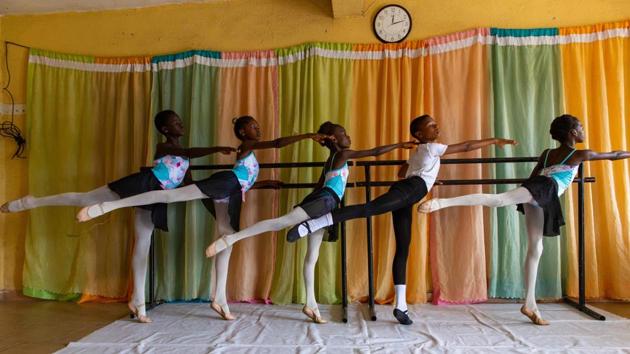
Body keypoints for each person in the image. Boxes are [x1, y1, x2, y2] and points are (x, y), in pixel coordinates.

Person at [77, 115, 329, 320]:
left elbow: (243, 181)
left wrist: (264, 184)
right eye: (252, 126)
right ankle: (108, 206)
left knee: (227, 238)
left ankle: (219, 298)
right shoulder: (247, 147)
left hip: (230, 191)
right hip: (224, 184)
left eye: (257, 125)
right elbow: (276, 144)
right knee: (169, 197)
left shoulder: (249, 154)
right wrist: (308, 135)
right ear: (242, 134)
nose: (258, 128)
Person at [1, 110, 235, 323]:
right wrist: (216, 149)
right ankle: (31, 201)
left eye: (180, 121)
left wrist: (213, 209)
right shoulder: (164, 147)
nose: (180, 124)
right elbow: (185, 151)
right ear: (165, 129)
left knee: (143, 244)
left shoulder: (186, 161)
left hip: (155, 198)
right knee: (85, 199)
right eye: (175, 122)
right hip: (142, 184)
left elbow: (191, 187)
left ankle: (138, 302)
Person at [286, 114, 516, 325]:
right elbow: (466, 146)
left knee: (403, 246)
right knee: (369, 209)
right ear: (419, 134)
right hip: (410, 189)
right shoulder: (433, 148)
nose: (438, 128)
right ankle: (314, 223)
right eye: (432, 126)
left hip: (409, 190)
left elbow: (401, 173)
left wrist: (428, 179)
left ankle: (402, 306)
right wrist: (494, 140)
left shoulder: (419, 152)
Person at [418, 114, 630, 325]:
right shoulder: (581, 154)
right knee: (499, 200)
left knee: (536, 247)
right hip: (543, 189)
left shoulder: (548, 154)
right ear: (573, 133)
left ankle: (530, 304)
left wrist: (526, 193)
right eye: (581, 127)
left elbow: (534, 174)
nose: (584, 130)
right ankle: (440, 203)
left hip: (540, 192)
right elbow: (615, 155)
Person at [206, 121, 416, 323]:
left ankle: (311, 305)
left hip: (326, 203)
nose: (348, 136)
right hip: (324, 201)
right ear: (334, 138)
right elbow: (374, 152)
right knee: (281, 222)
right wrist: (399, 145)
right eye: (344, 133)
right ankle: (232, 237)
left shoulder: (331, 160)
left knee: (312, 255)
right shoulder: (342, 154)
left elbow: (320, 185)